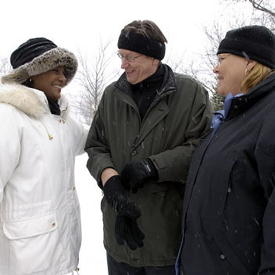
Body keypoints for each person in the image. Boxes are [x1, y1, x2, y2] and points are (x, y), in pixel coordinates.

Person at [85, 19, 212, 275]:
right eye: (120, 56)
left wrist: (153, 166)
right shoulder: (112, 95)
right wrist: (109, 179)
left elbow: (202, 148)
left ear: (154, 57)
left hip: (164, 233)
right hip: (117, 227)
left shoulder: (191, 93)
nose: (123, 64)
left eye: (130, 57)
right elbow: (96, 145)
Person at [177, 25, 275, 275]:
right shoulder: (231, 118)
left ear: (249, 63)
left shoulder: (269, 115)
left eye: (222, 60)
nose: (215, 68)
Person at [0, 37, 87, 275]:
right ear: (31, 73)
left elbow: (92, 140)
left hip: (61, 252)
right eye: (54, 70)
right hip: (24, 258)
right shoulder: (9, 116)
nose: (62, 78)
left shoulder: (60, 119)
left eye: (64, 72)